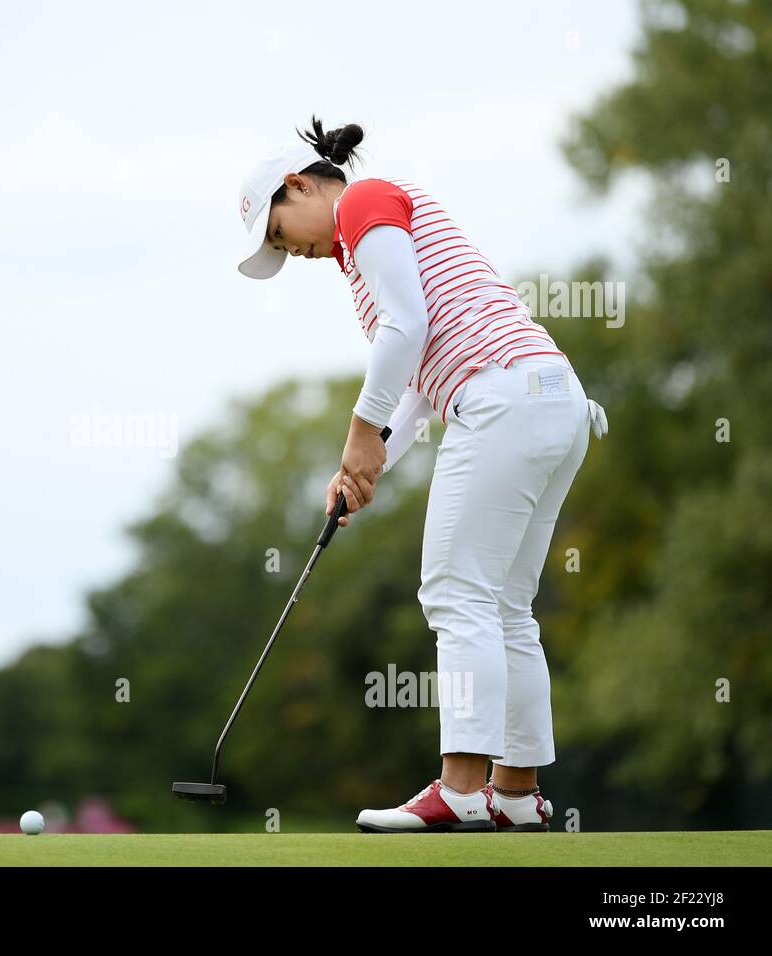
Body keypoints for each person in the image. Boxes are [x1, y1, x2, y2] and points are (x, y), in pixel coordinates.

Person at [235, 116, 607, 833]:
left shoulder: (365, 200)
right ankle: (517, 797)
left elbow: (405, 330)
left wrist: (357, 433)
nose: (297, 253)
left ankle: (462, 793)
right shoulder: (365, 246)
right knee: (505, 608)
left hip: (501, 397)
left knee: (456, 592)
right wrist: (366, 469)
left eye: (282, 233)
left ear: (299, 184)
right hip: (549, 397)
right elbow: (415, 378)